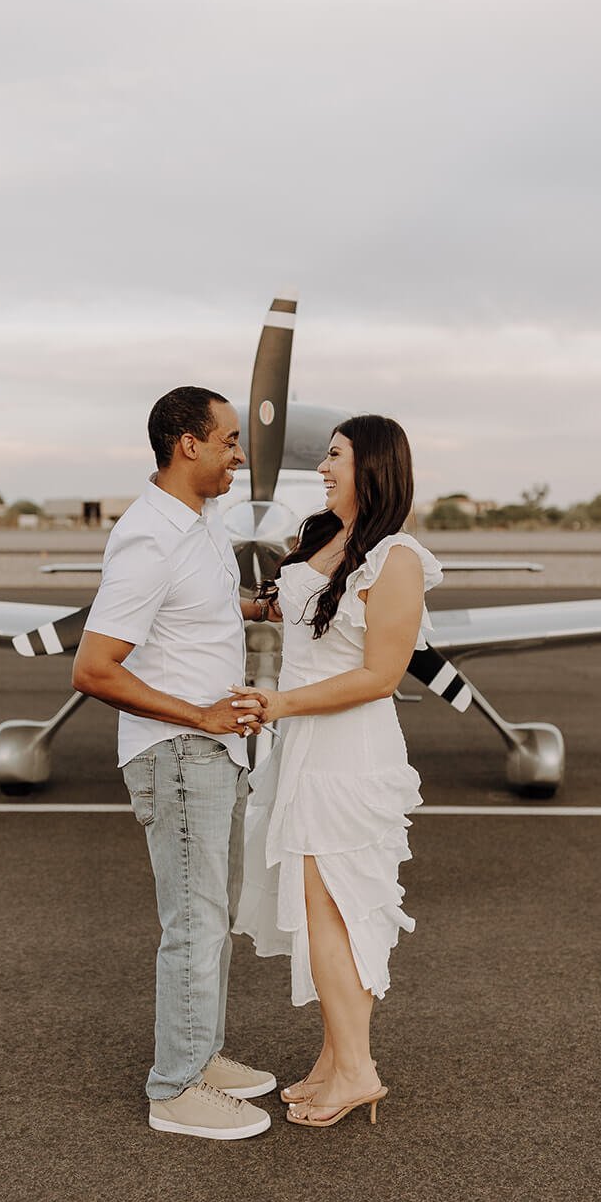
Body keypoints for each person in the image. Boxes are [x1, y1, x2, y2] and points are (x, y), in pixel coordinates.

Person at [72, 386, 277, 1140]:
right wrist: (198, 715)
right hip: (181, 751)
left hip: (213, 752)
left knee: (210, 918)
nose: (238, 454)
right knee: (192, 924)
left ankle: (201, 1051)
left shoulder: (200, 521)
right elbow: (95, 669)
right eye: (228, 440)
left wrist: (260, 609)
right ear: (187, 444)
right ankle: (176, 1089)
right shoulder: (148, 538)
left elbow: (193, 614)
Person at [232, 414, 442, 1129]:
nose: (322, 468)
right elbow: (274, 611)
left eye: (335, 457)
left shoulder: (398, 559)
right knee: (319, 913)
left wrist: (281, 701)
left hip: (349, 754)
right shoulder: (321, 538)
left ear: (373, 468)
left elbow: (381, 676)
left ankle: (357, 1070)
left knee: (338, 914)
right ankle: (332, 1058)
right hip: (304, 750)